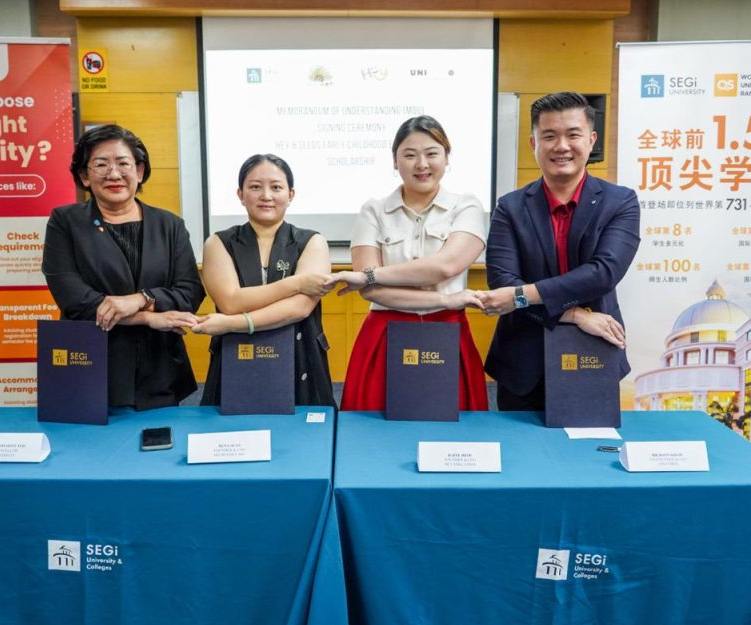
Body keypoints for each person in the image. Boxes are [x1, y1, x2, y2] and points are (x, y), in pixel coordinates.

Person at [478, 92, 640, 410]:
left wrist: (522, 295)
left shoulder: (620, 202)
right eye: (549, 136)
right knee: (519, 442)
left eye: (573, 135)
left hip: (594, 352)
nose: (562, 146)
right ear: (533, 143)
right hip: (522, 362)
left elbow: (603, 273)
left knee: (592, 441)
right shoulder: (510, 207)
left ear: (591, 140)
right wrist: (577, 316)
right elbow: (502, 283)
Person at [330, 115, 488, 411]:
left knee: (453, 426)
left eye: (432, 153)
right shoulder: (373, 210)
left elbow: (445, 266)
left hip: (446, 331)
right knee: (374, 429)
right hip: (384, 333)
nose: (422, 164)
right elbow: (372, 291)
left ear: (446, 157)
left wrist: (372, 275)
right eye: (410, 155)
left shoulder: (466, 206)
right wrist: (446, 298)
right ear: (395, 161)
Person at [43, 124, 204, 410]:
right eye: (101, 164)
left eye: (123, 163)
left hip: (159, 369)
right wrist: (147, 318)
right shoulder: (65, 222)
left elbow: (190, 292)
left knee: (159, 438)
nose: (114, 174)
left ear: (139, 171)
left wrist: (141, 299)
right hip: (91, 364)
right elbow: (74, 300)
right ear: (84, 176)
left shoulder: (170, 225)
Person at [192, 154, 335, 406]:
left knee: (304, 429)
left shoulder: (313, 242)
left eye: (276, 187)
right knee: (233, 427)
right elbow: (231, 302)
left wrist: (231, 323)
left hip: (301, 357)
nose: (266, 196)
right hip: (238, 354)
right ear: (240, 194)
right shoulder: (219, 242)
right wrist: (296, 284)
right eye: (255, 187)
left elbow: (299, 308)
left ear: (290, 194)